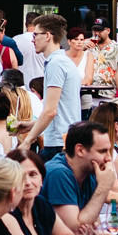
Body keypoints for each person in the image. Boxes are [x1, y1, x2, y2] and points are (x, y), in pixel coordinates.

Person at [21, 15, 82, 158]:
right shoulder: (62, 61)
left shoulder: (56, 63)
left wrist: (27, 141)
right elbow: (60, 111)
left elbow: (50, 111)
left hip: (58, 143)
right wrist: (30, 125)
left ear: (47, 36)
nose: (32, 39)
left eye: (35, 35)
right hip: (64, 140)